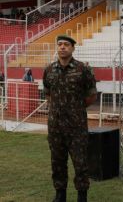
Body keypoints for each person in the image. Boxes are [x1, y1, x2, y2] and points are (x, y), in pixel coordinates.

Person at [43, 34, 97, 202]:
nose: (62, 47)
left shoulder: (83, 69)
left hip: (77, 127)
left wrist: (76, 109)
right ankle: (60, 194)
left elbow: (92, 95)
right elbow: (48, 94)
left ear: (73, 48)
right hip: (55, 127)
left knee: (80, 164)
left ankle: (82, 196)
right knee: (57, 163)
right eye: (59, 44)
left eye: (66, 44)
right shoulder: (49, 70)